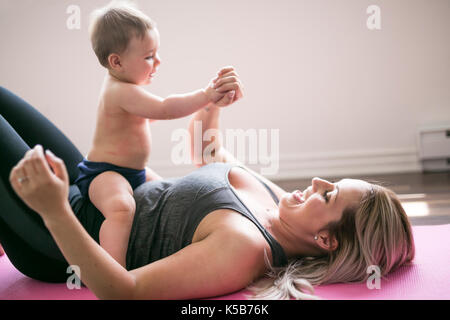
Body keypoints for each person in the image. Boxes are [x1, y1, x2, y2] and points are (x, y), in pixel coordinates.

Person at [0, 81, 415, 299]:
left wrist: (53, 210)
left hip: (60, 236)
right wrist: (214, 104)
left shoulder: (245, 248)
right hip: (95, 186)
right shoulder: (274, 201)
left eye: (329, 196)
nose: (317, 183)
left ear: (326, 240)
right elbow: (208, 152)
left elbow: (123, 292)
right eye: (331, 183)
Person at [75, 2, 238, 267]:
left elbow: (147, 116)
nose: (158, 61)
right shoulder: (120, 91)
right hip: (103, 173)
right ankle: (110, 270)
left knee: (168, 192)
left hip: (134, 172)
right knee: (120, 209)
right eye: (149, 56)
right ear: (116, 61)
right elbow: (165, 109)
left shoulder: (126, 89)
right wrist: (206, 95)